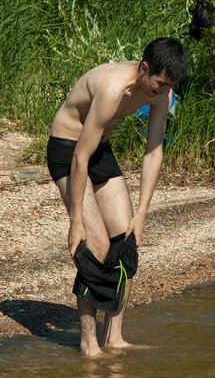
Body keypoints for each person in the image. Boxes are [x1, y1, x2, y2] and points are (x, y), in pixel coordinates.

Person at [46, 37, 188, 357]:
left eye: (170, 87)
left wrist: (141, 215)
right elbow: (80, 157)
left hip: (99, 150)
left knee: (126, 241)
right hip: (68, 149)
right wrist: (76, 222)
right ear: (143, 68)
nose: (164, 92)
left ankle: (114, 338)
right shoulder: (112, 89)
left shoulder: (161, 94)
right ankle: (88, 343)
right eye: (161, 84)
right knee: (96, 245)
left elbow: (153, 152)